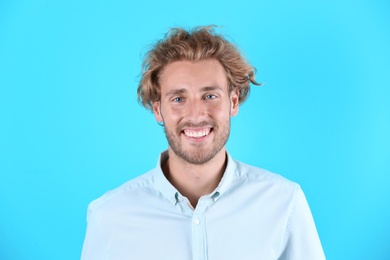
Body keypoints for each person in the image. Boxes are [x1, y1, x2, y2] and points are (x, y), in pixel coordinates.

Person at [81, 26, 325, 259]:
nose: (197, 115)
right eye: (178, 98)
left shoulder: (284, 203)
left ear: (233, 102)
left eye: (210, 96)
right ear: (158, 109)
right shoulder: (109, 216)